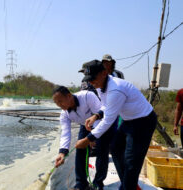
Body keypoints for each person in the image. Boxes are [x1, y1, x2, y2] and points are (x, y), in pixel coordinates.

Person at [76, 60, 157, 190]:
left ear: (103, 73)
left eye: (93, 79)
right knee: (115, 147)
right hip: (128, 120)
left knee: (132, 161)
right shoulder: (101, 86)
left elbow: (108, 120)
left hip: (143, 121)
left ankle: (128, 186)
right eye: (88, 79)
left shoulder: (115, 88)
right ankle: (127, 184)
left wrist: (88, 139)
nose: (91, 82)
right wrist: (96, 115)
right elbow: (106, 105)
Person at [53, 86, 117, 190]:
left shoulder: (87, 96)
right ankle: (81, 184)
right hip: (85, 125)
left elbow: (102, 114)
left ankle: (98, 184)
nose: (60, 105)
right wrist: (62, 152)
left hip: (103, 123)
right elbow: (65, 133)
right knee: (80, 149)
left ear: (69, 96)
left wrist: (91, 138)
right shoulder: (64, 114)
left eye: (61, 101)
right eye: (57, 103)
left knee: (102, 151)